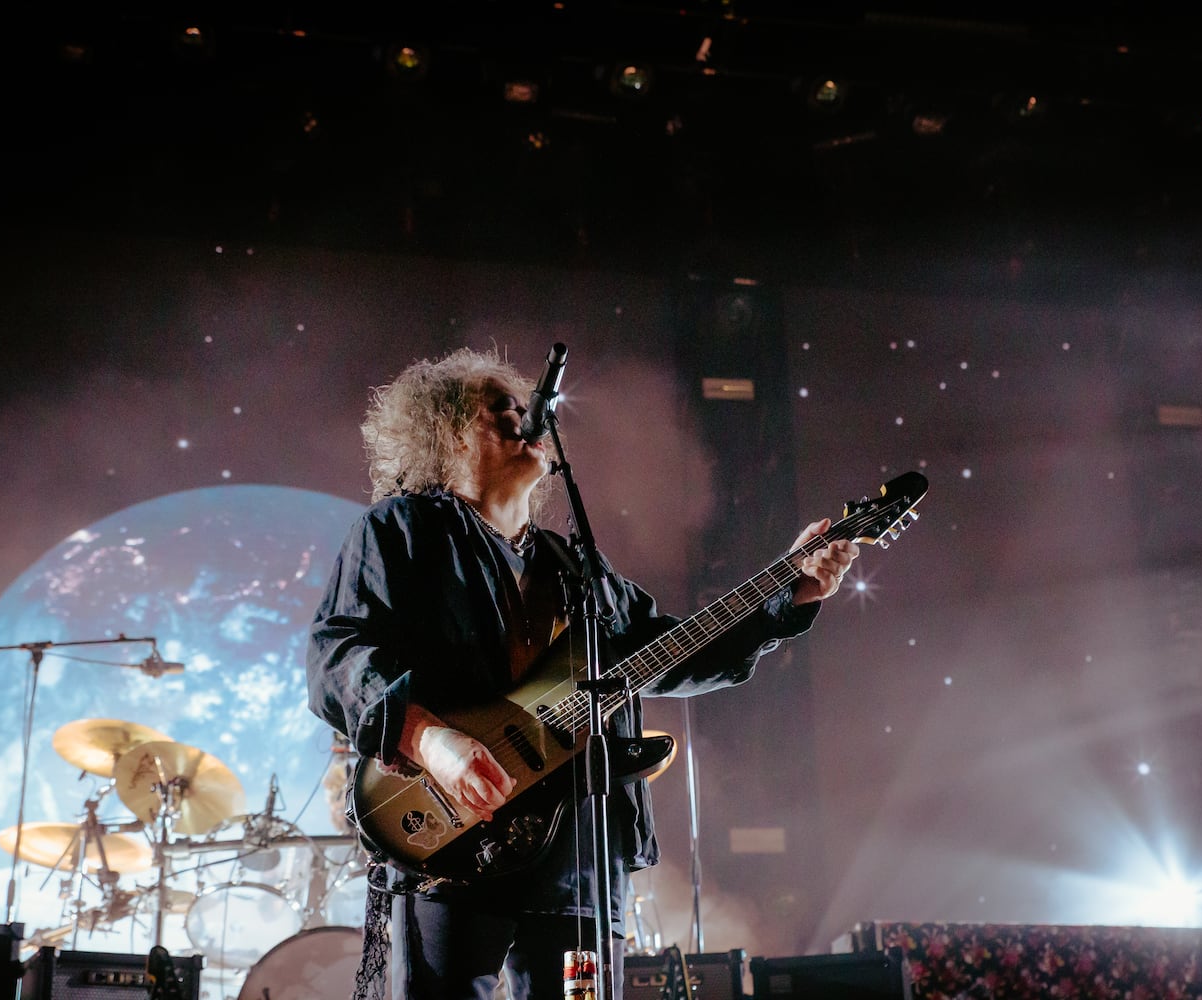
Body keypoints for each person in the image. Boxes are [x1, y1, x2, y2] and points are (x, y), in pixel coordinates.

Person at [306, 347, 858, 1000]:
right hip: (452, 834)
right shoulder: (401, 532)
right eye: (503, 409)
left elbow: (672, 651)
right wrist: (432, 739)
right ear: (450, 433)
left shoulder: (578, 569)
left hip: (580, 850)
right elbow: (337, 653)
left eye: (528, 408)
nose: (528, 419)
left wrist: (786, 594)